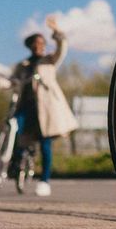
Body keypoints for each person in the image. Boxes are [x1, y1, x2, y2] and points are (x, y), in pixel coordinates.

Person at [9, 15, 78, 196]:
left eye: (43, 42)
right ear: (31, 45)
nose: (40, 45)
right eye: (37, 42)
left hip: (46, 109)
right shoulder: (22, 65)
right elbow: (12, 81)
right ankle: (17, 160)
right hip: (27, 107)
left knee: (46, 145)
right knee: (14, 128)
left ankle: (44, 181)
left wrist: (56, 31)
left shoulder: (49, 60)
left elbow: (62, 47)